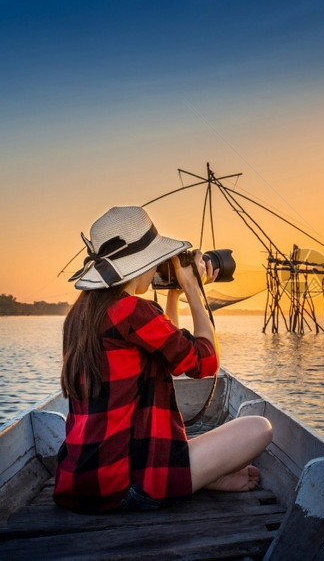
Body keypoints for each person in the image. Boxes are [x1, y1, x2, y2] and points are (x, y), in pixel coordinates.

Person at [54, 206, 272, 513]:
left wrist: (174, 294)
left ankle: (203, 477)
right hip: (129, 486)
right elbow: (205, 363)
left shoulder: (80, 316)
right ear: (138, 263)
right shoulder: (132, 311)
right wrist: (194, 289)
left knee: (198, 446)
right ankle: (196, 478)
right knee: (260, 427)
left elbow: (168, 352)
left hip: (77, 483)